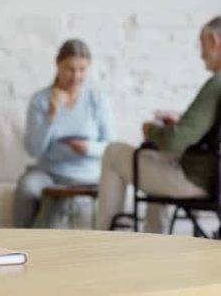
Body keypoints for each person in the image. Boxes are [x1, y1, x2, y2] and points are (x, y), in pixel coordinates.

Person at [97, 17, 221, 233]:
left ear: (214, 40)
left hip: (196, 178)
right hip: (210, 173)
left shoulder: (217, 83)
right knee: (154, 160)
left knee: (113, 152)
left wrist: (150, 130)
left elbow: (175, 141)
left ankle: (103, 238)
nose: (201, 53)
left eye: (201, 44)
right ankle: (155, 241)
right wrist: (179, 122)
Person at [14, 39, 115, 228]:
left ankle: (37, 247)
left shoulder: (97, 99)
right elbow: (33, 150)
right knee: (27, 187)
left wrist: (88, 148)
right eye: (70, 69)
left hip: (86, 175)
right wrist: (51, 116)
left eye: (82, 69)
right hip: (49, 172)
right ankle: (19, 242)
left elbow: (111, 147)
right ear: (58, 65)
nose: (76, 76)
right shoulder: (41, 99)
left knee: (55, 204)